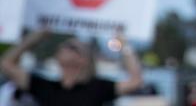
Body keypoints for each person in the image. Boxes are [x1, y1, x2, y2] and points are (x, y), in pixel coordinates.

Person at [0, 29, 142, 106]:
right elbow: (6, 63)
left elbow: (135, 81)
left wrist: (124, 45)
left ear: (84, 59)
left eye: (72, 47)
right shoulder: (45, 87)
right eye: (64, 46)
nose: (65, 49)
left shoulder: (98, 88)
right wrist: (35, 37)